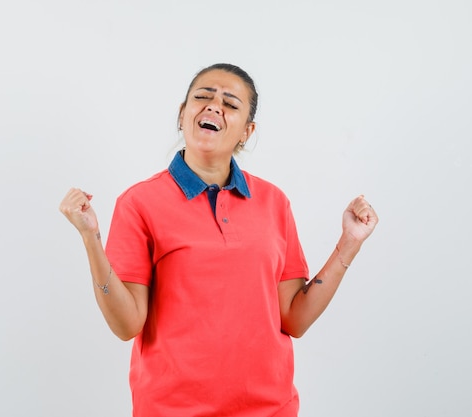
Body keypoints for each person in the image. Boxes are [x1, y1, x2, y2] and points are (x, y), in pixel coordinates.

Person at [59, 63, 378, 417]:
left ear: (246, 131)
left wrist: (350, 241)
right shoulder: (139, 203)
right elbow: (126, 325)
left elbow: (294, 318)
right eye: (202, 97)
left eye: (230, 103)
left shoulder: (273, 201)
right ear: (183, 115)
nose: (213, 106)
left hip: (270, 409)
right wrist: (91, 238)